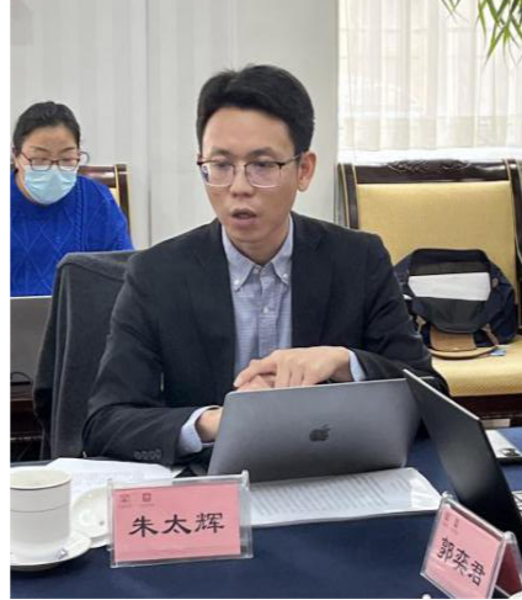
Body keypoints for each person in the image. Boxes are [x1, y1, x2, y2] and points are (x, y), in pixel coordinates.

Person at [83, 65, 447, 465]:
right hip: (213, 483)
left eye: (262, 165)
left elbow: (431, 396)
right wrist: (219, 423)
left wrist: (345, 362)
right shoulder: (157, 274)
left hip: (332, 474)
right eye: (220, 165)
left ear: (304, 170)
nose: (239, 187)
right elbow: (106, 423)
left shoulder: (358, 260)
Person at [9, 101, 133, 297]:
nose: (54, 169)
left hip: (84, 315)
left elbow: (123, 275)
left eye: (67, 159)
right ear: (16, 156)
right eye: (40, 160)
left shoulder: (97, 201)